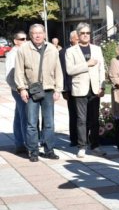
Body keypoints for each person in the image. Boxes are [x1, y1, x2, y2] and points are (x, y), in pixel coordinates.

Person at [14, 24, 63, 162]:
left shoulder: (52, 49)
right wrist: (22, 89)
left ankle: (49, 150)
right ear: (30, 35)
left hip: (48, 90)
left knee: (49, 123)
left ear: (44, 34)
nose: (37, 35)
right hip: (31, 91)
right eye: (34, 33)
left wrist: (58, 89)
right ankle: (33, 151)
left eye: (40, 33)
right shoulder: (24, 49)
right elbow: (18, 71)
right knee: (31, 123)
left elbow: (58, 70)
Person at [65, 23, 107, 158]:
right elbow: (70, 70)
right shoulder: (71, 51)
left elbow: (102, 69)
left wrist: (102, 86)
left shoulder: (97, 49)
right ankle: (82, 146)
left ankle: (95, 145)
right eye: (82, 33)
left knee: (94, 120)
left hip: (94, 88)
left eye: (88, 33)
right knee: (81, 119)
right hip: (80, 89)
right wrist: (86, 65)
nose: (85, 35)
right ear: (78, 35)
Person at [5, 31, 28, 155]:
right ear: (15, 41)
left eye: (26, 39)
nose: (25, 41)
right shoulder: (13, 54)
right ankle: (25, 143)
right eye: (22, 39)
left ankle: (19, 143)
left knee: (19, 116)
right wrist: (18, 89)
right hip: (19, 90)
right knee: (25, 116)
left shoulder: (21, 52)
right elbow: (9, 76)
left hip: (21, 89)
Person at [59, 30, 79, 147]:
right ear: (71, 39)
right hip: (70, 88)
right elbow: (62, 71)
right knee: (73, 114)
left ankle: (84, 137)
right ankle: (74, 138)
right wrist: (64, 89)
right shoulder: (63, 52)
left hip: (85, 87)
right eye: (77, 39)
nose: (79, 40)